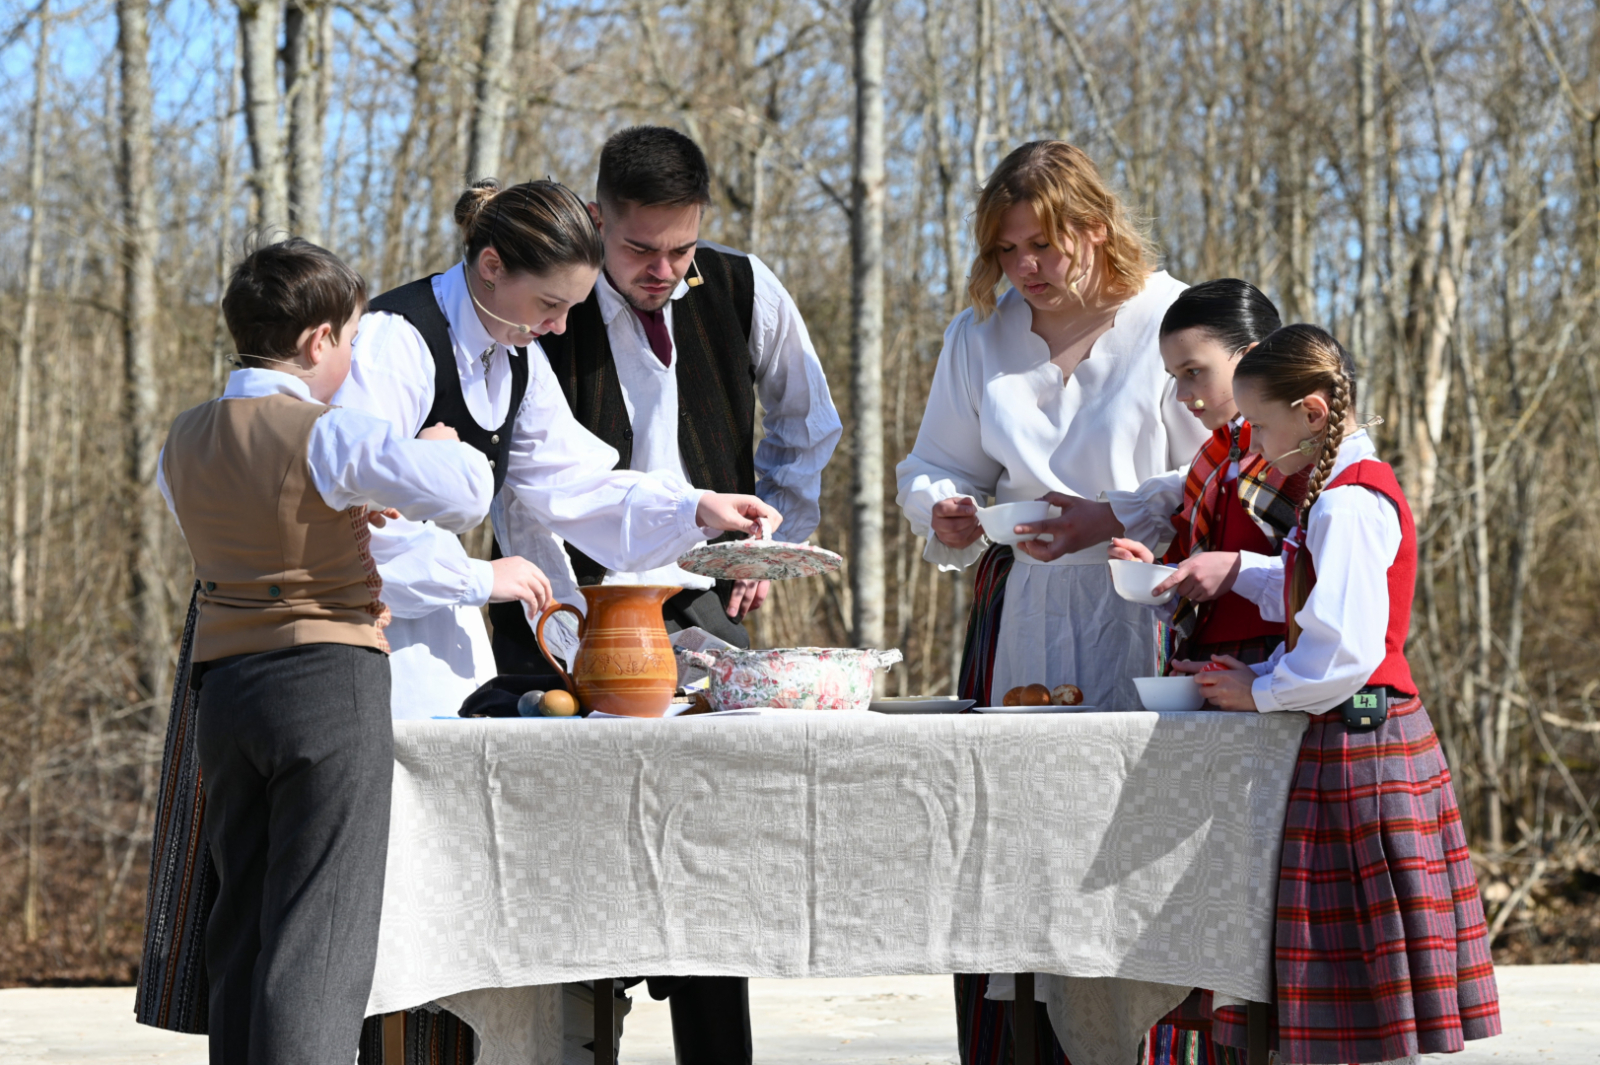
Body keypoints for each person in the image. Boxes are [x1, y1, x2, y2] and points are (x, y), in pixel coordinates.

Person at [895, 140, 1208, 1064]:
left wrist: (1112, 513)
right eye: (1005, 250)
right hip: (1022, 612)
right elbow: (935, 463)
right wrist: (943, 510)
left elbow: (1218, 467)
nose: (1023, 268)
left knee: (1130, 837)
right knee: (1018, 838)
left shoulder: (1171, 318)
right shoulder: (978, 336)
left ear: (1094, 230)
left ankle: (1144, 1037)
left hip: (1145, 606)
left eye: (1042, 245)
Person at [156, 238, 495, 1065]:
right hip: (326, 681)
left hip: (227, 690)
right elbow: (467, 495)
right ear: (317, 343)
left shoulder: (184, 439)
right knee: (321, 933)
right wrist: (445, 448)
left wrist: (346, 509)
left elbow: (257, 525)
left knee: (243, 921)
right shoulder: (330, 435)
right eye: (348, 340)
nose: (349, 355)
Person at [333, 179, 781, 720]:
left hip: (445, 623)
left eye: (570, 307)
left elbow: (573, 483)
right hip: (365, 634)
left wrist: (697, 508)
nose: (559, 326)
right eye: (550, 303)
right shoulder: (394, 344)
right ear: (492, 267)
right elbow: (349, 528)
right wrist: (478, 578)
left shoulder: (515, 351)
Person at [1187, 324, 1501, 1063]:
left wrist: (1258, 690)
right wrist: (1235, 570)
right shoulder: (1335, 492)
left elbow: (1345, 651)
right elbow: (1312, 588)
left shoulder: (1347, 503)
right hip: (1357, 745)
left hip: (1365, 750)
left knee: (1359, 971)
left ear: (1314, 412)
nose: (1254, 445)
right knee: (1352, 979)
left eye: (1261, 424)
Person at [492, 125, 841, 675]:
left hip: (701, 598)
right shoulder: (539, 302)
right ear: (596, 218)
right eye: (640, 249)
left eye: (682, 249)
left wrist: (765, 548)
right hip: (562, 598)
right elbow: (521, 491)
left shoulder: (743, 286)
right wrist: (563, 619)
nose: (663, 271)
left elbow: (808, 422)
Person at [1107, 278, 1304, 668]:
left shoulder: (1299, 457)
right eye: (1174, 376)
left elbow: (1329, 584)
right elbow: (1198, 583)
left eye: (1193, 371)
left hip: (1282, 664)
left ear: (1250, 359)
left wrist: (1236, 570)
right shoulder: (1207, 461)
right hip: (1206, 662)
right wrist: (1156, 576)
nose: (1181, 394)